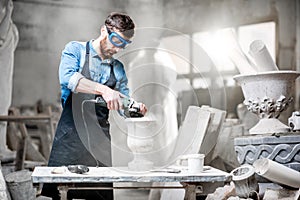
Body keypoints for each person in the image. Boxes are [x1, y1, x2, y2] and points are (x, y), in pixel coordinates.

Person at [42, 12, 147, 200]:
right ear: (103, 31)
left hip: (100, 143)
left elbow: (122, 103)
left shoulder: (118, 68)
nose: (118, 48)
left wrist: (133, 106)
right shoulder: (76, 50)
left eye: (124, 44)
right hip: (71, 137)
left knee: (100, 196)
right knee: (63, 193)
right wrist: (105, 91)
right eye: (116, 40)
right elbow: (69, 78)